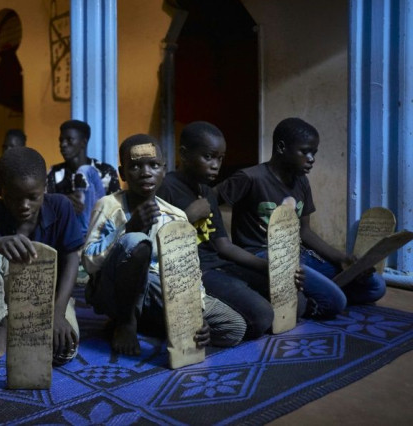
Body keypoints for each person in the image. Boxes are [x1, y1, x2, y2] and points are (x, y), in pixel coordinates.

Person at [83, 134, 246, 356]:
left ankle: (152, 323)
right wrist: (128, 228)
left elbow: (188, 271)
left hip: (159, 290)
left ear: (163, 170)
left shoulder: (176, 216)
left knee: (234, 328)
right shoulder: (108, 206)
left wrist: (195, 312)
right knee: (135, 242)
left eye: (154, 165)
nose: (146, 172)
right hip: (113, 290)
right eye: (136, 166)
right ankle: (126, 323)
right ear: (122, 174)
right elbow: (90, 263)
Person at [216, 117, 386, 318]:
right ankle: (307, 301)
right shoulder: (250, 178)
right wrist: (222, 243)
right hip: (262, 255)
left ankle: (310, 292)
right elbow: (209, 202)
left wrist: (341, 258)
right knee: (335, 302)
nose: (311, 158)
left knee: (376, 286)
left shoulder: (302, 182)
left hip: (299, 254)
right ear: (281, 147)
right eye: (305, 151)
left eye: (314, 153)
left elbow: (304, 231)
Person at [157, 122, 291, 341]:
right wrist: (189, 215)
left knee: (295, 299)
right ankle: (194, 324)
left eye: (220, 158)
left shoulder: (207, 192)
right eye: (208, 157)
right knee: (263, 316)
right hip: (194, 272)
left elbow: (224, 245)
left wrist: (268, 267)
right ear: (184, 154)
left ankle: (234, 306)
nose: (215, 165)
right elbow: (158, 241)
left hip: (220, 265)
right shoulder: (166, 188)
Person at [0, 146, 81, 365]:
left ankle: (31, 322)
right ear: (0, 189)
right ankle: (2, 322)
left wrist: (58, 313)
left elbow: (72, 258)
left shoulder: (61, 207)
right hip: (7, 299)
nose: (24, 206)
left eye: (32, 197)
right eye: (15, 198)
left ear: (45, 186)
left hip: (51, 297)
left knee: (62, 351)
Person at [46, 120, 120, 235]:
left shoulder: (106, 171)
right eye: (61, 140)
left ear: (83, 142)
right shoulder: (54, 173)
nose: (63, 144)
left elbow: (116, 209)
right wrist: (64, 204)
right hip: (64, 232)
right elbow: (44, 207)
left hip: (99, 231)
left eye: (69, 140)